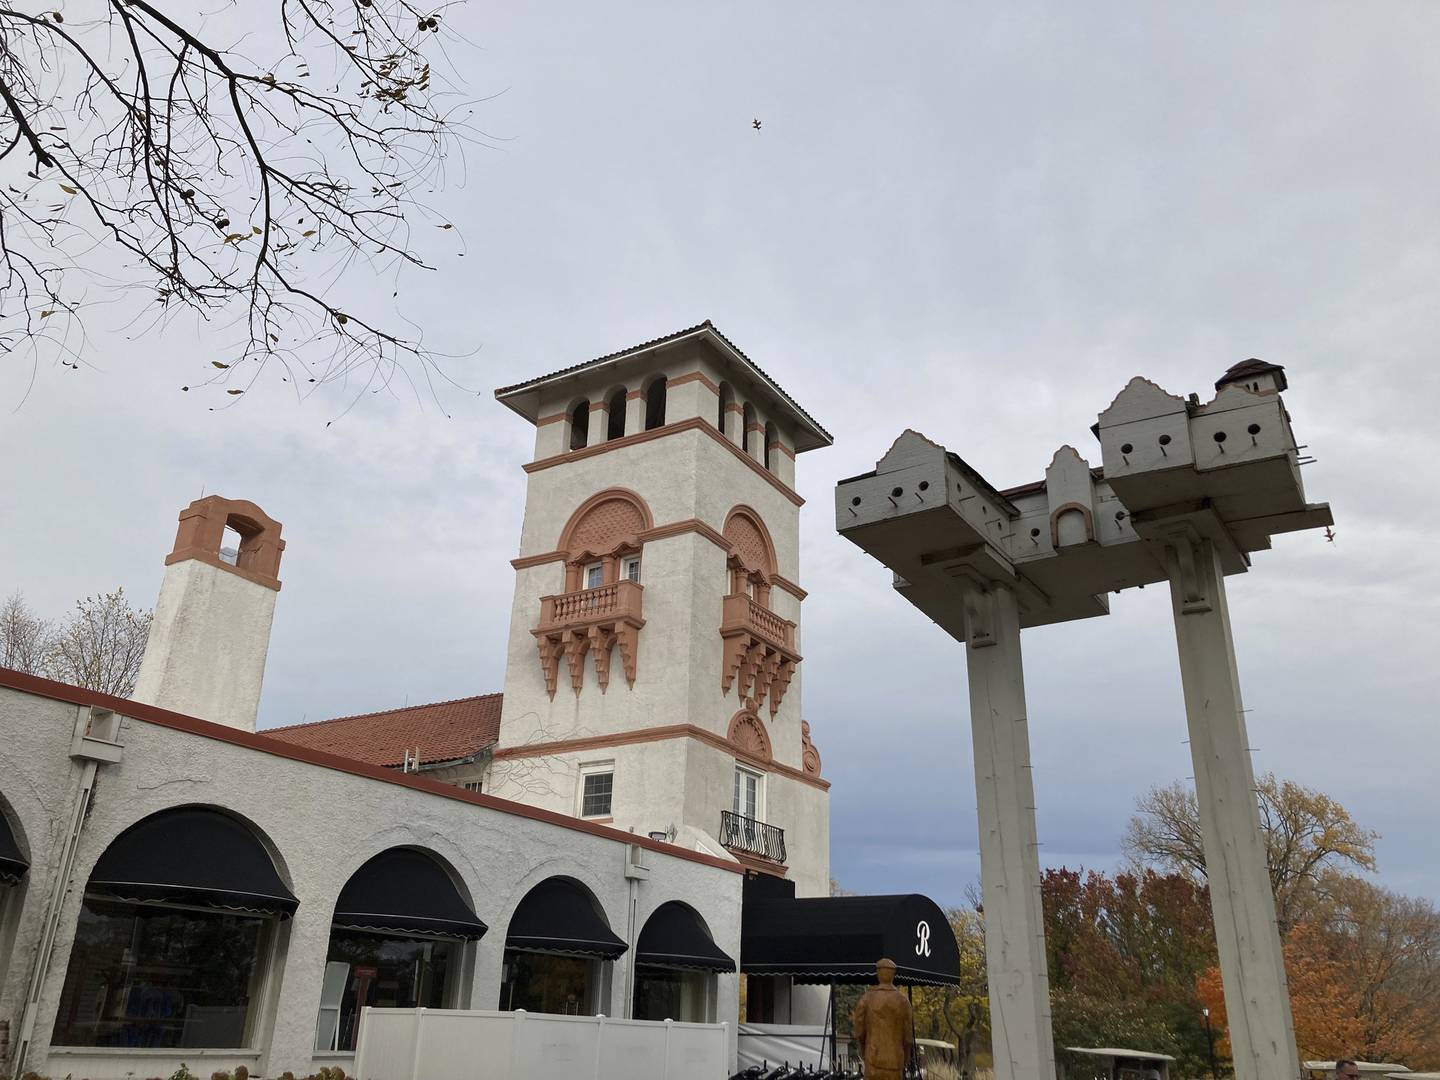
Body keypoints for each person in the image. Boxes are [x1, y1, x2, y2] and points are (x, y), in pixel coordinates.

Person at [850, 958, 914, 1080]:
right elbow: (908, 1037)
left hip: (873, 1058)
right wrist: (904, 1059)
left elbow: (859, 1031)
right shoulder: (903, 1001)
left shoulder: (867, 999)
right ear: (893, 975)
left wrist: (864, 1051)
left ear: (878, 973)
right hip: (895, 1060)